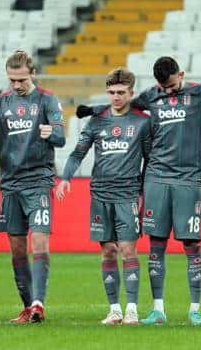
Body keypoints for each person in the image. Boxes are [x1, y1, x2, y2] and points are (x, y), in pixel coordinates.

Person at [78, 56, 201, 325]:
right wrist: (93, 109)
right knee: (156, 242)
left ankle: (194, 309)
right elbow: (122, 107)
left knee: (192, 244)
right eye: (163, 87)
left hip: (189, 178)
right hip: (156, 177)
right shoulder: (151, 95)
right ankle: (158, 308)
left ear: (181, 74)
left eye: (171, 86)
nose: (167, 91)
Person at [0, 50, 65, 323]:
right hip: (10, 185)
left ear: (33, 73)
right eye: (12, 80)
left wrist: (51, 133)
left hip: (39, 182)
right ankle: (27, 307)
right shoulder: (0, 102)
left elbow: (61, 137)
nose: (16, 85)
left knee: (40, 242)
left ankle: (39, 303)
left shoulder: (47, 99)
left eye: (21, 79)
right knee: (17, 249)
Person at [55, 68, 152, 325]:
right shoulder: (96, 121)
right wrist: (65, 178)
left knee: (128, 249)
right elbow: (78, 153)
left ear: (131, 93)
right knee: (108, 251)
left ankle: (132, 309)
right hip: (100, 194)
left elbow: (150, 160)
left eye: (121, 92)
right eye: (111, 92)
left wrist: (144, 193)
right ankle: (114, 310)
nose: (116, 97)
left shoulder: (142, 122)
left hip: (128, 195)